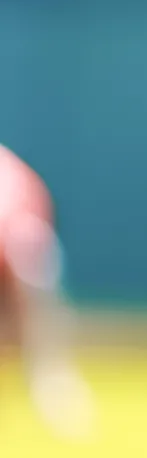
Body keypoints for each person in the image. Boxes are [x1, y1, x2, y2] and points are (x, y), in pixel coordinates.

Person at [0, 144, 94, 438]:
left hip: (16, 262)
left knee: (30, 248)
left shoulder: (9, 171)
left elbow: (29, 219)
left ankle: (52, 380)